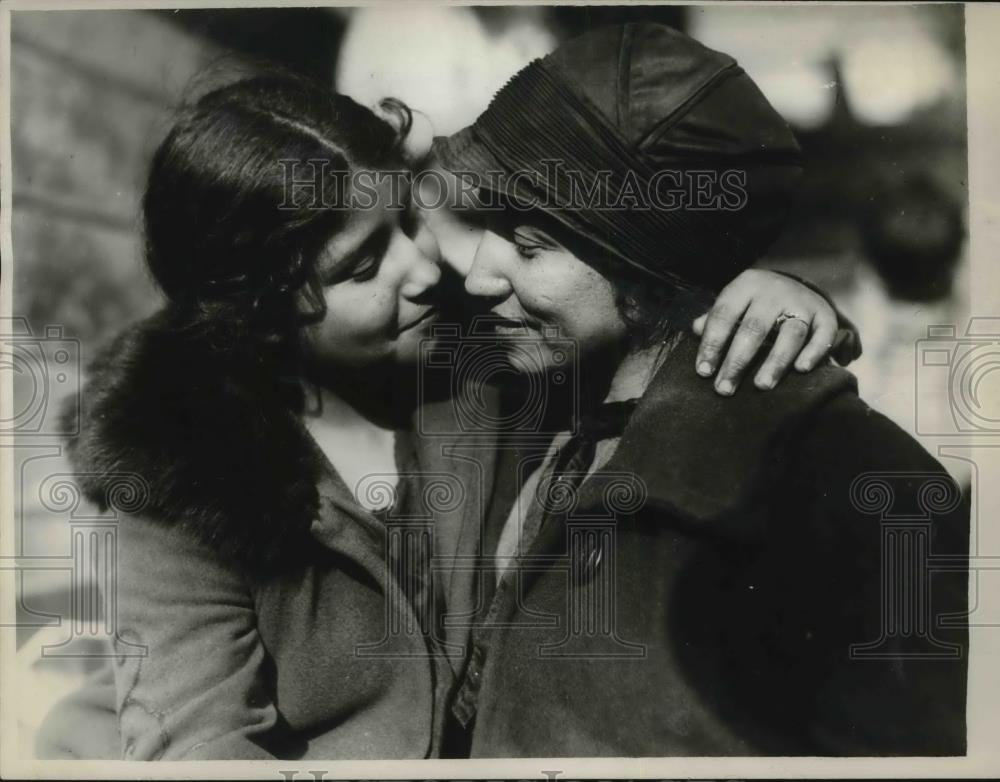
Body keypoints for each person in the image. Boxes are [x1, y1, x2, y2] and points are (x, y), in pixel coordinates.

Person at [38, 70, 854, 760]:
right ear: (259, 309)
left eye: (405, 222)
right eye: (363, 265)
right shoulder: (174, 474)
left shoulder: (482, 354)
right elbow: (204, 749)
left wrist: (766, 299)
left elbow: (634, 311)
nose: (424, 267)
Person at [432, 22, 969, 757]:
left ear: (653, 268)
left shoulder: (857, 492)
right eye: (489, 221)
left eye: (530, 246)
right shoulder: (546, 404)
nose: (479, 275)